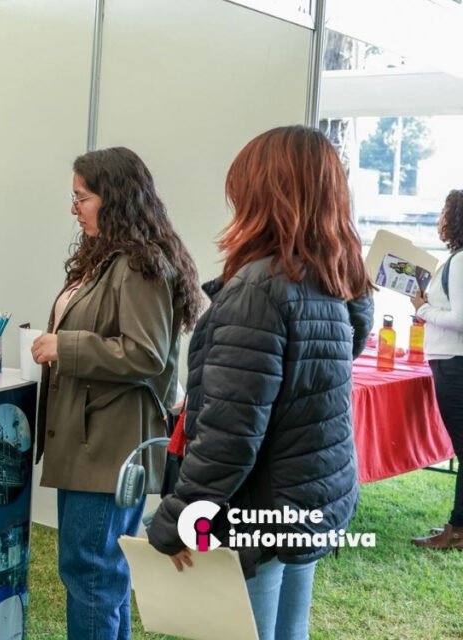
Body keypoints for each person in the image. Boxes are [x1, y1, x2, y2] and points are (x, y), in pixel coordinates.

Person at [147, 126, 374, 640]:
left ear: (266, 195)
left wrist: (181, 519)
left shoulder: (261, 289)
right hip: (310, 498)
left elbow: (231, 434)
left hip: (264, 506)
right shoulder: (335, 279)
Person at [31, 146, 203, 640]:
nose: (74, 207)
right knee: (99, 572)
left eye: (82, 197)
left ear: (116, 199)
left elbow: (145, 354)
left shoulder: (139, 265)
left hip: (110, 444)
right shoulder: (109, 258)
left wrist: (66, 345)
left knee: (91, 572)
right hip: (94, 440)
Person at [410, 189, 463, 549]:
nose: (439, 218)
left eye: (444, 212)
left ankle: (457, 531)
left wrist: (421, 309)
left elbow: (460, 318)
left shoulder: (459, 261)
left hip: (453, 364)